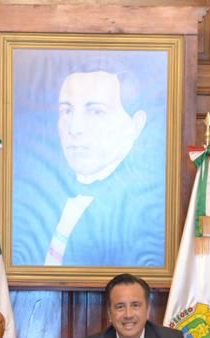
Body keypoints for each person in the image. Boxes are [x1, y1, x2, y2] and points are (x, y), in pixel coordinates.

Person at [11, 60, 166, 268]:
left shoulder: (147, 212)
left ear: (135, 125)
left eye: (96, 112)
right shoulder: (38, 199)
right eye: (67, 111)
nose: (75, 129)